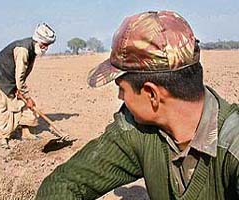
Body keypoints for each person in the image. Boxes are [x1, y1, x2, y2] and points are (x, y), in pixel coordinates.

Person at [36, 11, 239, 199]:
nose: (120, 96)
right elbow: (64, 185)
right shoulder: (137, 129)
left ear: (151, 94)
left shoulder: (233, 148)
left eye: (122, 88)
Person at [0, 23, 56, 149]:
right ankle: (3, 138)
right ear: (38, 40)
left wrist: (20, 91)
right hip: (1, 78)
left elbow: (22, 75)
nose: (46, 48)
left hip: (13, 80)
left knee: (25, 107)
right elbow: (20, 77)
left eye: (48, 46)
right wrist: (26, 95)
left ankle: (25, 133)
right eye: (45, 45)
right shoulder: (23, 50)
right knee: (4, 110)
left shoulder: (33, 50)